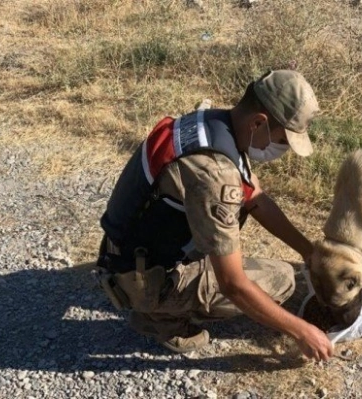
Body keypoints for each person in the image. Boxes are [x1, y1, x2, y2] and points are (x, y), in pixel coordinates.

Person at [95, 70, 333, 361]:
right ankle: (158, 317)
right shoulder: (214, 174)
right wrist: (301, 331)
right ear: (259, 122)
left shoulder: (211, 124)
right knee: (282, 278)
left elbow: (255, 198)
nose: (282, 149)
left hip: (125, 253)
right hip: (144, 277)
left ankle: (155, 298)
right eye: (282, 139)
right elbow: (233, 285)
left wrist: (309, 252)